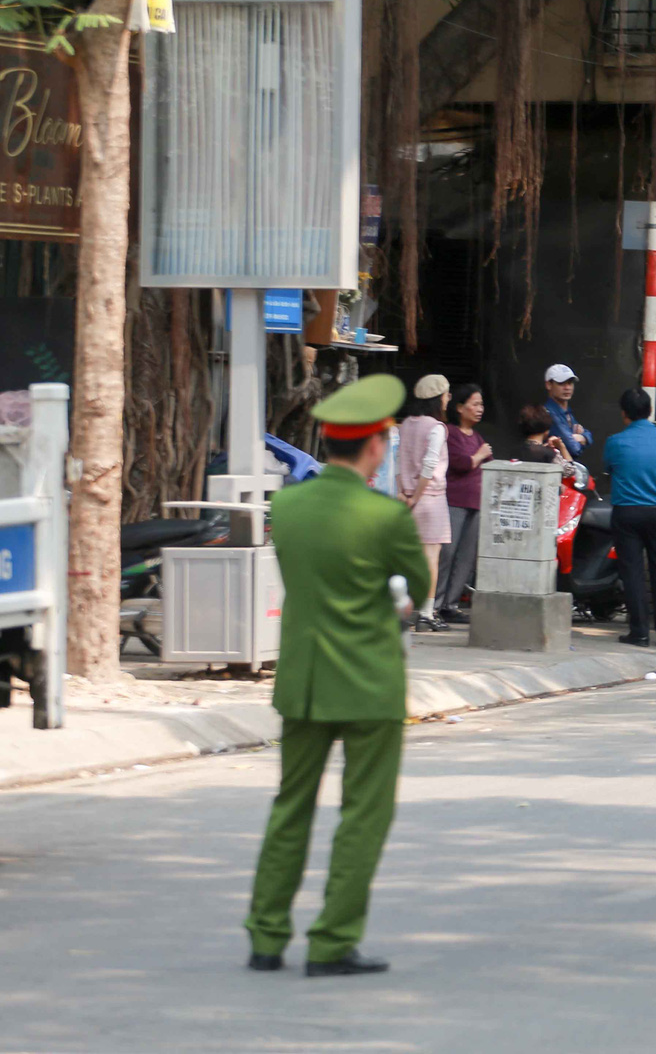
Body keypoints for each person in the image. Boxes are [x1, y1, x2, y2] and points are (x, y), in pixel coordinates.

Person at [244, 374, 431, 978]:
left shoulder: (289, 505)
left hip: (302, 679)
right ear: (376, 445)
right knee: (363, 814)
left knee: (290, 806)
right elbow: (418, 589)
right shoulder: (384, 517)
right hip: (371, 684)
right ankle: (331, 942)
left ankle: (266, 936)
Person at [603, 387, 656, 648]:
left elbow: (609, 468)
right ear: (650, 412)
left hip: (627, 512)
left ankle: (639, 632)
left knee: (633, 573)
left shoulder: (615, 441)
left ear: (624, 413)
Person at [395, 375, 452, 632]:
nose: (448, 399)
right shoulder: (437, 428)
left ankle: (402, 609)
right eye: (447, 395)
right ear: (438, 398)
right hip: (430, 499)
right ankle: (427, 614)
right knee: (430, 558)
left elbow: (397, 459)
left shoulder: (405, 424)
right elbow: (430, 464)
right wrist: (417, 496)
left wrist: (403, 494)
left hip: (404, 498)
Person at [434, 383, 489, 623]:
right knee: (447, 552)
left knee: (466, 557)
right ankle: (435, 603)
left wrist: (479, 457)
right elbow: (460, 463)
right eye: (475, 404)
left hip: (477, 503)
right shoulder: (450, 432)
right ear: (459, 407)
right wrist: (478, 456)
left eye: (481, 404)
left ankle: (451, 604)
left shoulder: (477, 436)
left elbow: (487, 463)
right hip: (454, 501)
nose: (479, 409)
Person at [543, 364, 591, 463]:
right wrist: (582, 439)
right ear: (548, 385)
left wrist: (582, 437)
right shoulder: (549, 413)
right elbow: (574, 449)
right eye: (561, 383)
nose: (567, 387)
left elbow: (589, 435)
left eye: (570, 383)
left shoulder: (567, 412)